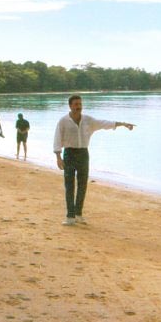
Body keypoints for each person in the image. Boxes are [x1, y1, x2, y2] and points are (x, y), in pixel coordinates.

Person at [53, 95, 135, 226]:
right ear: (70, 106)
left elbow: (104, 123)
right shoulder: (63, 121)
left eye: (80, 104)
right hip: (69, 153)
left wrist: (123, 124)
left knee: (82, 185)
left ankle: (78, 214)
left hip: (83, 154)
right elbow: (57, 138)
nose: (78, 106)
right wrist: (58, 157)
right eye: (76, 104)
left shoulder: (88, 120)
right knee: (69, 186)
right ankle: (70, 216)